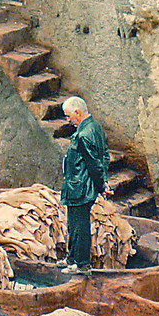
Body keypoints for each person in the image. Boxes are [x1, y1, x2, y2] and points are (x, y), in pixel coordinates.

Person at [60, 96, 111, 273]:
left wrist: (101, 185)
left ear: (77, 112)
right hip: (81, 185)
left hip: (80, 187)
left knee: (78, 226)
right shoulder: (95, 127)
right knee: (74, 224)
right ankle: (71, 259)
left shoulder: (84, 134)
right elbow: (104, 155)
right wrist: (103, 181)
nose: (68, 120)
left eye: (68, 116)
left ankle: (81, 264)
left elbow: (94, 163)